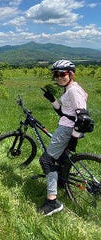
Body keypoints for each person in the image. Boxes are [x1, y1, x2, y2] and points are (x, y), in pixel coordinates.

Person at [38, 60, 88, 216]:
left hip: (68, 130)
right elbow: (65, 113)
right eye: (56, 74)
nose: (58, 77)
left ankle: (52, 202)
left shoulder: (73, 91)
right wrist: (52, 100)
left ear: (71, 74)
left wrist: (73, 138)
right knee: (61, 160)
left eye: (62, 74)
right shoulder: (69, 88)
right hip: (67, 127)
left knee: (46, 160)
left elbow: (83, 119)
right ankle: (61, 182)